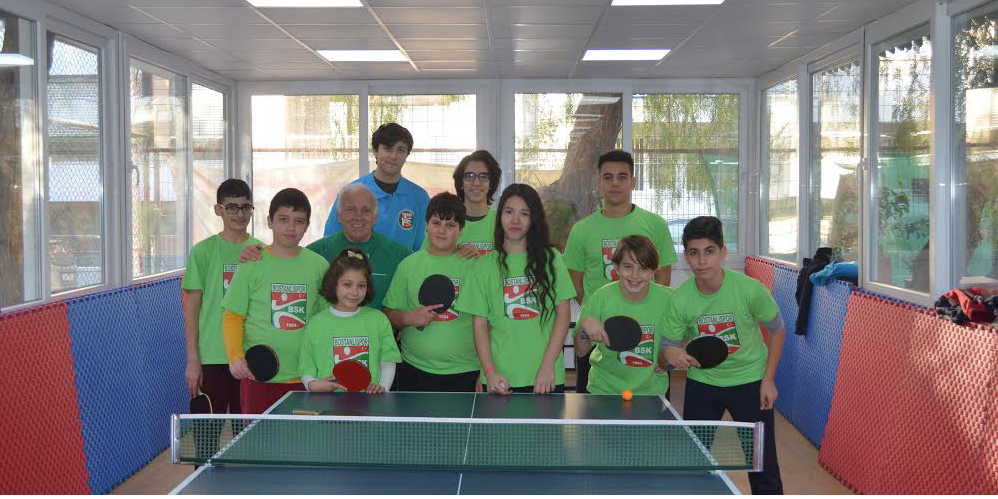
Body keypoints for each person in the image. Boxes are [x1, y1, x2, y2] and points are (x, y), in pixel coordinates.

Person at [661, 216, 785, 495]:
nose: (701, 260)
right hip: (703, 384)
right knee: (694, 462)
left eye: (709, 251)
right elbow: (668, 346)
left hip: (750, 383)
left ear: (723, 252)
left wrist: (768, 380)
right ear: (686, 257)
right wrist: (673, 352)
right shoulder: (680, 299)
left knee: (763, 464)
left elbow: (777, 330)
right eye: (694, 253)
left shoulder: (749, 289)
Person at [563, 149, 678, 393]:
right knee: (593, 407)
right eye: (608, 177)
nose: (615, 183)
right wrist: (603, 315)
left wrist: (643, 313)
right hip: (599, 335)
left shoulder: (655, 224)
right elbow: (576, 284)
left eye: (622, 177)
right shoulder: (581, 230)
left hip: (649, 338)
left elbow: (663, 277)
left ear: (633, 182)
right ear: (599, 182)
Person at [455, 183, 576, 394]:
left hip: (545, 378)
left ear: (533, 219)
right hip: (499, 379)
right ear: (500, 216)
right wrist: (489, 372)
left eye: (524, 213)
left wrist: (547, 367)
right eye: (509, 212)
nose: (515, 220)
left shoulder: (552, 259)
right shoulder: (483, 266)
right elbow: (480, 325)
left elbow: (563, 315)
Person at [221, 188, 330, 414]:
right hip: (258, 378)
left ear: (307, 226)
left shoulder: (319, 266)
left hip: (307, 377)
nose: (291, 227)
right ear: (269, 221)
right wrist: (235, 357)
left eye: (299, 221)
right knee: (258, 436)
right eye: (283, 219)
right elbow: (233, 317)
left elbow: (327, 320)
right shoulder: (251, 264)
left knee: (302, 437)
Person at [242, 183, 410, 311]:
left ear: (376, 216)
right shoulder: (317, 253)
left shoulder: (400, 257)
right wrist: (258, 250)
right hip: (327, 341)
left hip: (383, 342)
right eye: (350, 209)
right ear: (338, 215)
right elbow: (283, 261)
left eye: (366, 210)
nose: (358, 217)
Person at [384, 193, 479, 392]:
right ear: (426, 225)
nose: (442, 230)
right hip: (414, 370)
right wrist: (409, 318)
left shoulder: (475, 266)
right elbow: (389, 314)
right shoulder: (408, 265)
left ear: (461, 230)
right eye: (436, 223)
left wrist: (486, 371)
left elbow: (490, 322)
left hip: (467, 371)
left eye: (450, 225)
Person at [183, 179, 262, 414]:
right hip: (212, 356)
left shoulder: (261, 252)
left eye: (245, 207)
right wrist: (193, 360)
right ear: (219, 210)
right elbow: (192, 310)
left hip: (248, 356)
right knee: (208, 431)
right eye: (232, 207)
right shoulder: (202, 252)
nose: (240, 214)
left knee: (247, 429)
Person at [574, 235, 673, 395]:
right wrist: (584, 330)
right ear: (616, 267)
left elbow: (684, 337)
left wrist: (669, 360)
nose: (635, 275)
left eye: (643, 268)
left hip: (651, 392)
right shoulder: (601, 297)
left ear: (654, 271)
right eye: (628, 267)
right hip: (604, 391)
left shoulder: (669, 300)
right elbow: (580, 351)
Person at [299, 249, 401, 394]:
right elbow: (306, 367)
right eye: (347, 284)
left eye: (361, 285)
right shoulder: (316, 323)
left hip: (370, 401)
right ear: (334, 284)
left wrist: (382, 388)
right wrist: (312, 384)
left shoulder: (378, 320)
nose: (354, 292)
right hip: (328, 401)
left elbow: (388, 361)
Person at [324, 123, 429, 252]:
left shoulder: (419, 198)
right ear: (375, 151)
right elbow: (329, 244)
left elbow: (424, 249)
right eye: (388, 148)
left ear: (407, 155)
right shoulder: (350, 194)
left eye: (400, 150)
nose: (393, 156)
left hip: (403, 266)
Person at [421, 150, 502, 258]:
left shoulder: (501, 222)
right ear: (461, 182)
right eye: (470, 176)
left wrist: (480, 261)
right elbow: (426, 261)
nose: (476, 182)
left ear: (491, 183)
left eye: (483, 176)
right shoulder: (443, 220)